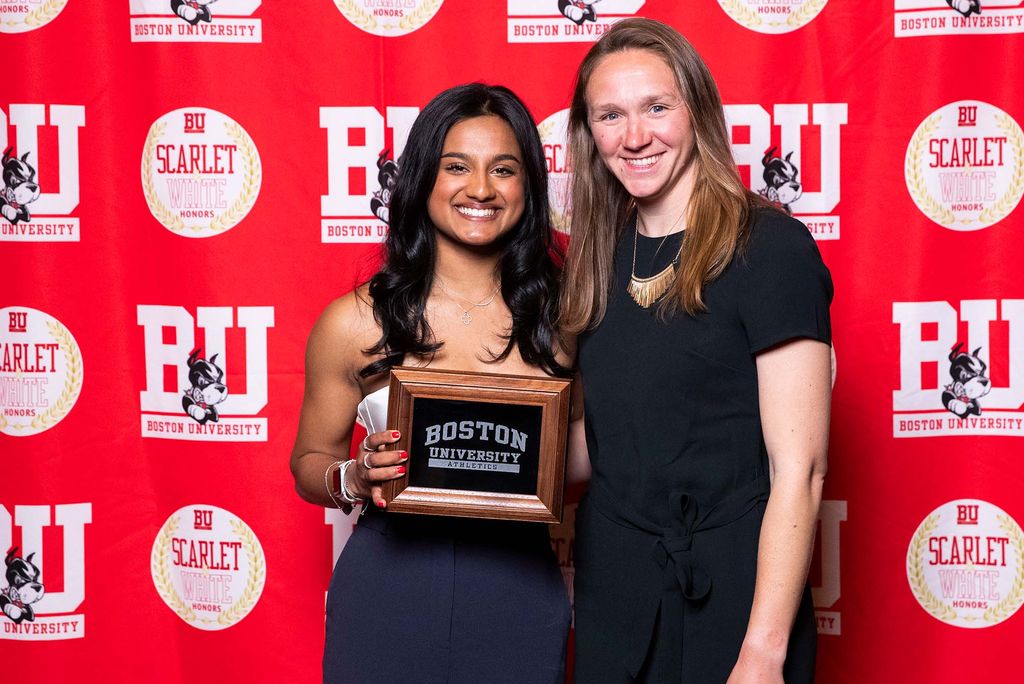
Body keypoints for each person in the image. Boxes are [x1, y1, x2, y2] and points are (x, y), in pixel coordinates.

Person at [560, 18, 833, 684]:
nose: (635, 136)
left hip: (737, 595)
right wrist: (441, 453)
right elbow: (589, 453)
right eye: (610, 115)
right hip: (616, 598)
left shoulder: (769, 249)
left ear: (697, 109)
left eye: (657, 107)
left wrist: (763, 650)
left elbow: (801, 470)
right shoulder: (593, 261)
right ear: (589, 134)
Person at [289, 83, 573, 684]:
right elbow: (307, 461)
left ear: (529, 187)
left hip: (520, 587)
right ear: (422, 179)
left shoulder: (570, 318)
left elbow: (585, 462)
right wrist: (354, 476)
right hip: (388, 583)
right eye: (456, 167)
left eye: (504, 169)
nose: (480, 189)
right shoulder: (352, 321)